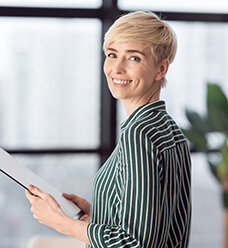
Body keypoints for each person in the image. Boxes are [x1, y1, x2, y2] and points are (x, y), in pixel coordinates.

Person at [26, 10, 191, 248]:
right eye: (112, 54)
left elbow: (137, 243)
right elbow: (157, 224)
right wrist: (98, 214)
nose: (117, 68)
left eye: (134, 58)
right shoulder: (169, 129)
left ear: (161, 69)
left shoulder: (140, 135)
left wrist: (61, 222)